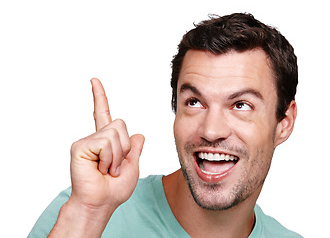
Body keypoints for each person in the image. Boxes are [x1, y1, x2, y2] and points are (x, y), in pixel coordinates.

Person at [28, 13, 303, 237]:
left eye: (241, 105)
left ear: (284, 123)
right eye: (194, 102)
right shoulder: (83, 211)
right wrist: (88, 213)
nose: (211, 130)